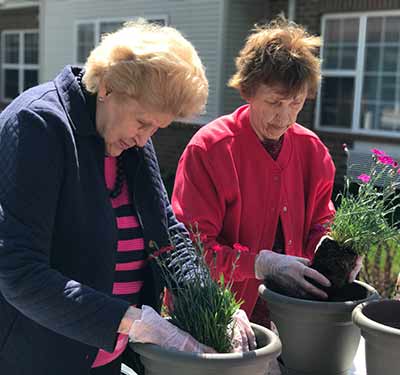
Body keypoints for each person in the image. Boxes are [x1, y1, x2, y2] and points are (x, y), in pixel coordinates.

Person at [0, 21, 255, 375]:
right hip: (38, 357)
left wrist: (212, 303)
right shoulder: (37, 127)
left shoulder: (128, 139)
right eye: (143, 122)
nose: (143, 138)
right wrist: (130, 321)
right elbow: (18, 273)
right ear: (107, 87)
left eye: (155, 128)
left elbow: (167, 233)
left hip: (107, 359)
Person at [172, 19, 362, 326]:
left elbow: (320, 224)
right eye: (274, 102)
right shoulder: (210, 150)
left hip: (291, 316)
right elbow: (190, 250)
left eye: (296, 103)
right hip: (218, 318)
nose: (284, 117)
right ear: (247, 91)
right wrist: (260, 263)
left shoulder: (312, 151)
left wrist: (337, 250)